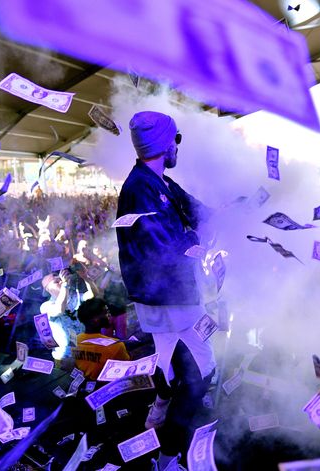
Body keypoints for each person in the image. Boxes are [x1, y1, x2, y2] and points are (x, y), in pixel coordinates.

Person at [116, 111, 215, 471]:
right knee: (204, 371)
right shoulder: (139, 189)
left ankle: (158, 408)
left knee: (166, 359)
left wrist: (233, 213)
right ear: (163, 143)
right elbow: (164, 248)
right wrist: (197, 237)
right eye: (176, 138)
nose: (178, 146)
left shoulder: (159, 182)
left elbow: (198, 211)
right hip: (170, 296)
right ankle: (168, 457)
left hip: (162, 297)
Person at [74, 298, 129, 380]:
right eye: (106, 312)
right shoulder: (116, 346)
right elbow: (126, 369)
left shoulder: (75, 340)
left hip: (86, 382)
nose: (109, 315)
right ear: (96, 320)